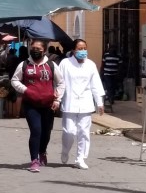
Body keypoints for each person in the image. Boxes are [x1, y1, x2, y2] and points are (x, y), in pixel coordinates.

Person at [11, 39, 64, 172]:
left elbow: (61, 83)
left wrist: (57, 100)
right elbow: (14, 80)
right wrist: (26, 90)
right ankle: (34, 160)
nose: (35, 51)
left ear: (44, 50)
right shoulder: (24, 65)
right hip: (31, 104)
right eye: (33, 48)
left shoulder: (51, 65)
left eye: (38, 49)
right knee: (36, 130)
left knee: (46, 132)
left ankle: (42, 152)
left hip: (48, 104)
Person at [59, 39, 105, 169]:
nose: (82, 51)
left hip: (85, 102)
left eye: (84, 48)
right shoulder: (65, 63)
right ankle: (65, 150)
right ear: (73, 50)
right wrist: (57, 99)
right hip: (69, 102)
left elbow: (95, 84)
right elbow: (60, 83)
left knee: (84, 132)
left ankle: (80, 158)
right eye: (79, 48)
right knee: (69, 131)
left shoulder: (90, 65)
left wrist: (99, 102)